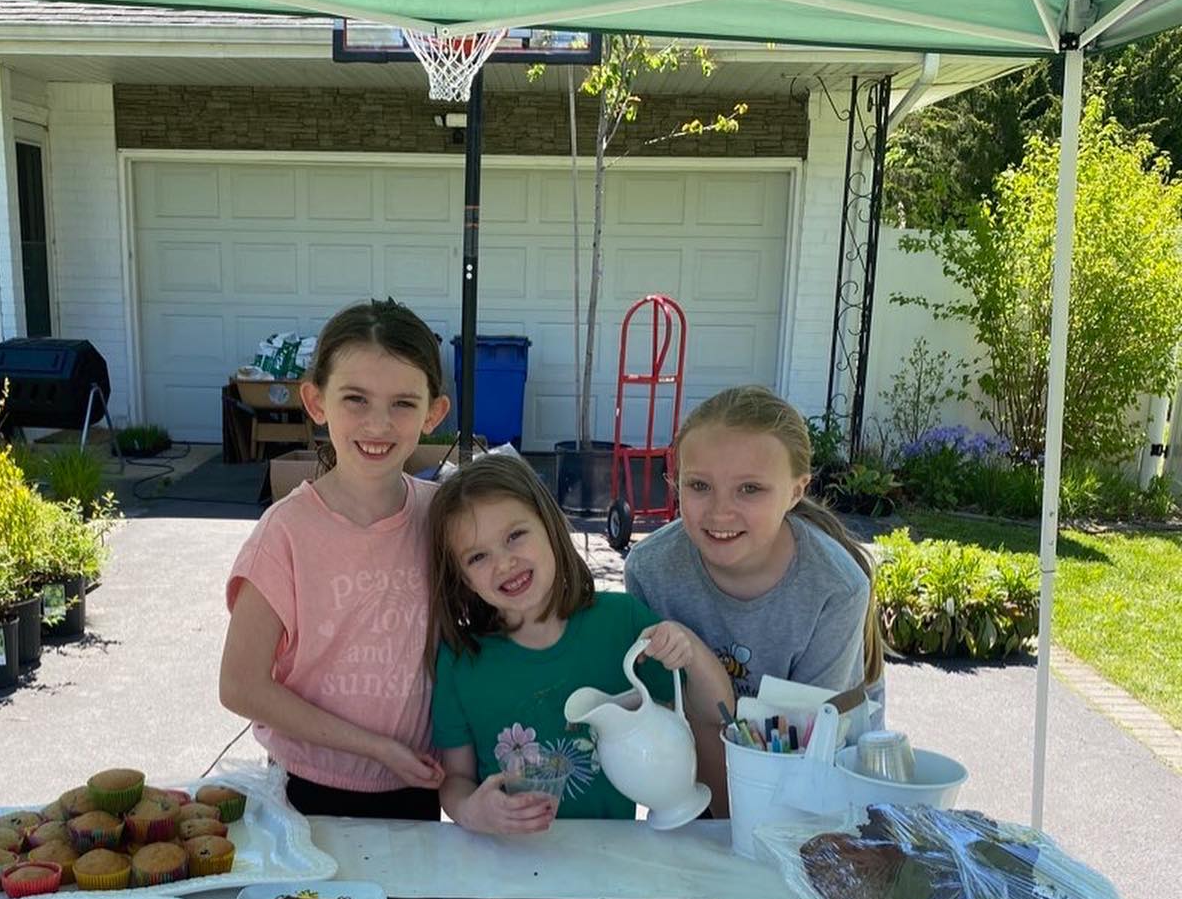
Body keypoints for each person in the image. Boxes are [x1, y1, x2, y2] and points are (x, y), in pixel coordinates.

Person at [220, 298, 449, 820]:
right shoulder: (285, 533)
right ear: (316, 401)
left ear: (433, 413)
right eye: (356, 399)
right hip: (307, 791)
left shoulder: (445, 519)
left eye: (403, 404)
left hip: (418, 785)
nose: (378, 424)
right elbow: (240, 684)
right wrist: (374, 747)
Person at [428, 454, 734, 834]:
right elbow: (455, 780)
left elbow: (719, 708)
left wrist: (685, 645)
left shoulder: (621, 623)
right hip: (509, 864)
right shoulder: (459, 662)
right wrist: (472, 811)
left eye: (515, 536)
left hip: (612, 861)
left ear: (550, 526)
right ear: (463, 578)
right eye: (477, 556)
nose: (504, 563)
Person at [625, 384, 884, 711]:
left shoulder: (836, 588)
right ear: (677, 482)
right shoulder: (649, 569)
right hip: (695, 748)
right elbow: (655, 703)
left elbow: (812, 737)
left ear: (794, 492)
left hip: (812, 751)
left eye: (750, 489)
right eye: (699, 485)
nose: (720, 512)